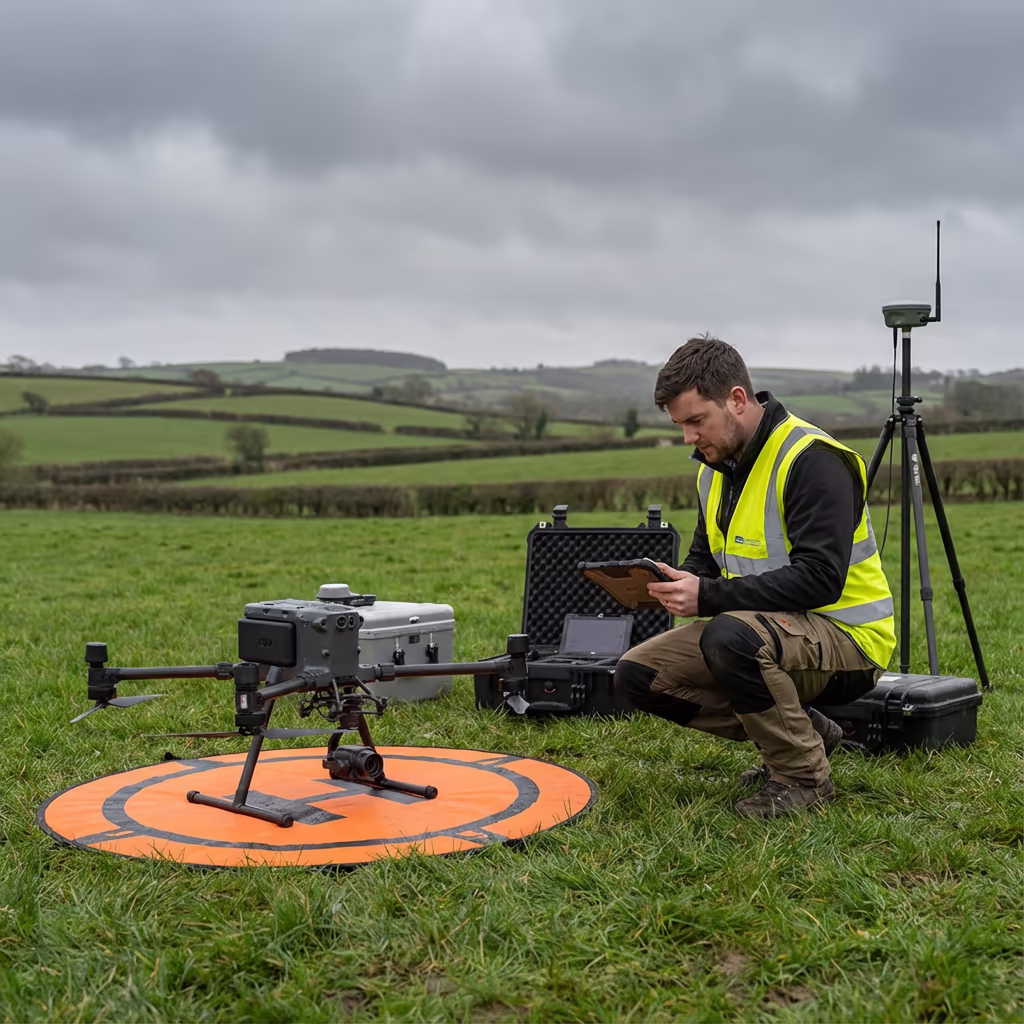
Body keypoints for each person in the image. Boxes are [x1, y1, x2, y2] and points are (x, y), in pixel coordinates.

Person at [613, 336, 896, 818]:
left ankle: (802, 777)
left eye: (696, 421)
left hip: (849, 639)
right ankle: (805, 733)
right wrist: (677, 582)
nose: (688, 437)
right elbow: (706, 559)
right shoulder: (713, 470)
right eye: (680, 425)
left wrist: (707, 597)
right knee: (639, 676)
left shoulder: (813, 460)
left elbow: (822, 580)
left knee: (729, 638)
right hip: (765, 631)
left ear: (737, 400)